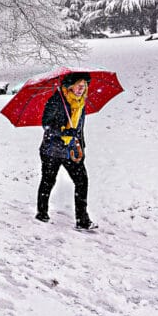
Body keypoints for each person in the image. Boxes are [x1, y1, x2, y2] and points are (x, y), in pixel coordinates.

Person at [36, 71, 95, 230]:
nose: (81, 89)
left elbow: (79, 128)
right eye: (79, 86)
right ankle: (42, 212)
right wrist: (63, 131)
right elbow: (46, 124)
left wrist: (80, 145)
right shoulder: (57, 100)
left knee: (82, 181)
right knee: (49, 181)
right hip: (51, 151)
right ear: (70, 86)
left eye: (84, 86)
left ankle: (82, 219)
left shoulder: (81, 103)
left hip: (71, 151)